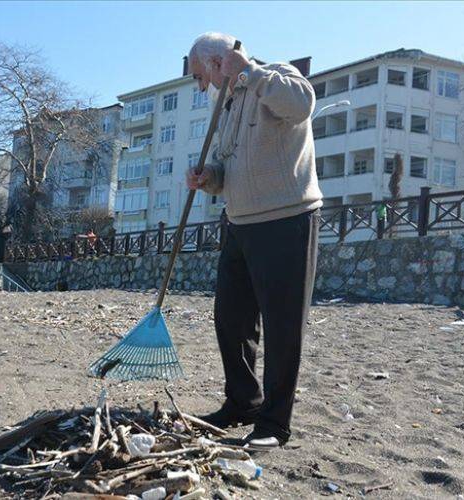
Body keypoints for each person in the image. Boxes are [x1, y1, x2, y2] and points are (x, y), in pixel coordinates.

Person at [186, 32, 322, 450]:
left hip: (286, 219)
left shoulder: (278, 75)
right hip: (239, 223)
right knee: (231, 319)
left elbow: (301, 105)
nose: (201, 87)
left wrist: (249, 71)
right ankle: (243, 402)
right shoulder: (228, 105)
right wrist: (208, 178)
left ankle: (274, 424)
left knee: (282, 325)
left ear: (218, 62)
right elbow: (228, 170)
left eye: (200, 76)